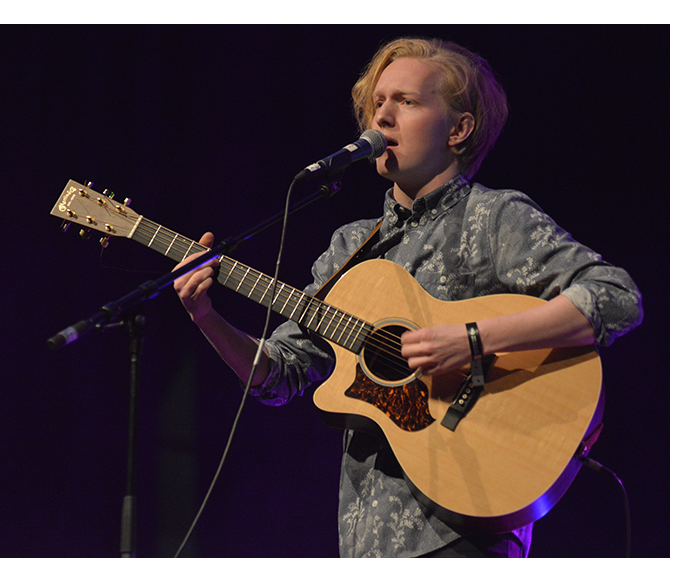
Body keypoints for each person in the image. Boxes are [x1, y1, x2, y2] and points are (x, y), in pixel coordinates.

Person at [172, 37, 643, 557]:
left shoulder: (492, 218)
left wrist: (470, 339)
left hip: (466, 531)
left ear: (459, 130)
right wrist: (206, 316)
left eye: (407, 102)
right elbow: (278, 376)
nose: (383, 117)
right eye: (377, 103)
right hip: (365, 541)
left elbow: (615, 297)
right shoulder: (350, 247)